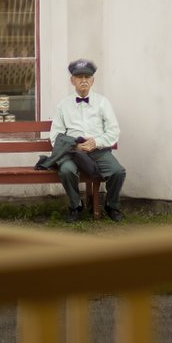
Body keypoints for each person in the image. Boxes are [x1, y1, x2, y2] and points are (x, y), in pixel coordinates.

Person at [49, 59, 126, 221]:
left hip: (97, 150)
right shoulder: (63, 105)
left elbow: (114, 130)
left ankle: (112, 206)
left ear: (92, 80)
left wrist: (96, 142)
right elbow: (55, 135)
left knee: (118, 172)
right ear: (72, 80)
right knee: (66, 171)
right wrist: (73, 146)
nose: (83, 80)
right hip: (73, 152)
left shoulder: (103, 103)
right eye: (79, 77)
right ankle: (76, 206)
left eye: (87, 77)